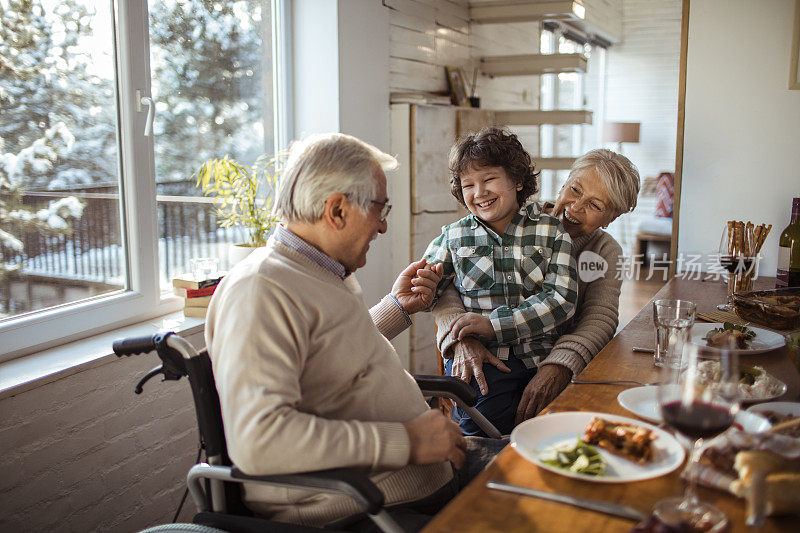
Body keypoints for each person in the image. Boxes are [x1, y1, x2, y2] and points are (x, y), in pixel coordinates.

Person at [204, 132, 504, 532]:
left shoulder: (320, 270)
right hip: (365, 509)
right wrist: (407, 442)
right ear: (337, 210)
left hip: (418, 482)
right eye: (380, 209)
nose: (383, 226)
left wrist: (397, 309)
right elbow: (260, 441)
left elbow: (334, 359)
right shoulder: (259, 289)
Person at [434, 148, 641, 433]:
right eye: (575, 189)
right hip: (487, 357)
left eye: (595, 205)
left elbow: (600, 318)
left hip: (548, 357)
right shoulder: (510, 216)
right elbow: (445, 286)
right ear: (564, 182)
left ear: (611, 217)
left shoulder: (605, 251)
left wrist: (559, 364)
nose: (575, 207)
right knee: (485, 426)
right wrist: (461, 339)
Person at [422, 127, 579, 436]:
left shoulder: (550, 231)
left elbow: (561, 299)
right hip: (485, 365)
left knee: (557, 436)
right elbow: (430, 292)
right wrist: (425, 284)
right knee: (479, 437)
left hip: (542, 359)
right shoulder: (453, 236)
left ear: (517, 180)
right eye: (468, 184)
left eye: (489, 179)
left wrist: (494, 324)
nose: (479, 192)